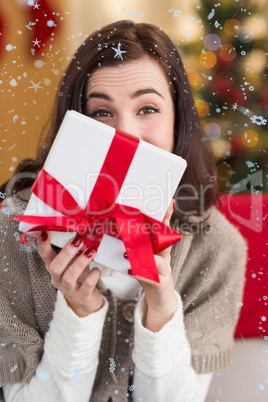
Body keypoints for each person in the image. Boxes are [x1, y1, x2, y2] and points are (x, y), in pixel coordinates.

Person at [0, 20, 247, 401]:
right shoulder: (12, 234)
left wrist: (161, 304)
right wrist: (77, 311)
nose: (125, 133)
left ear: (178, 120)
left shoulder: (216, 251)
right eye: (102, 112)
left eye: (147, 108)